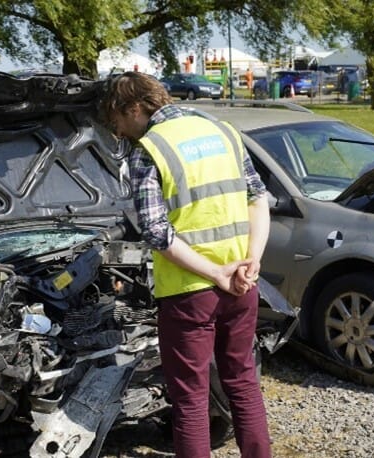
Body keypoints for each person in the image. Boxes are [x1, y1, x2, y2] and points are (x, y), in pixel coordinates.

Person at [102, 72, 271, 458]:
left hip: (188, 294)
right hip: (242, 284)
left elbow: (158, 233)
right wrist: (252, 261)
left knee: (192, 400)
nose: (116, 128)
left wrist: (213, 274)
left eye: (117, 119)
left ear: (135, 108)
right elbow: (259, 198)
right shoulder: (224, 132)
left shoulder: (151, 148)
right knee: (243, 383)